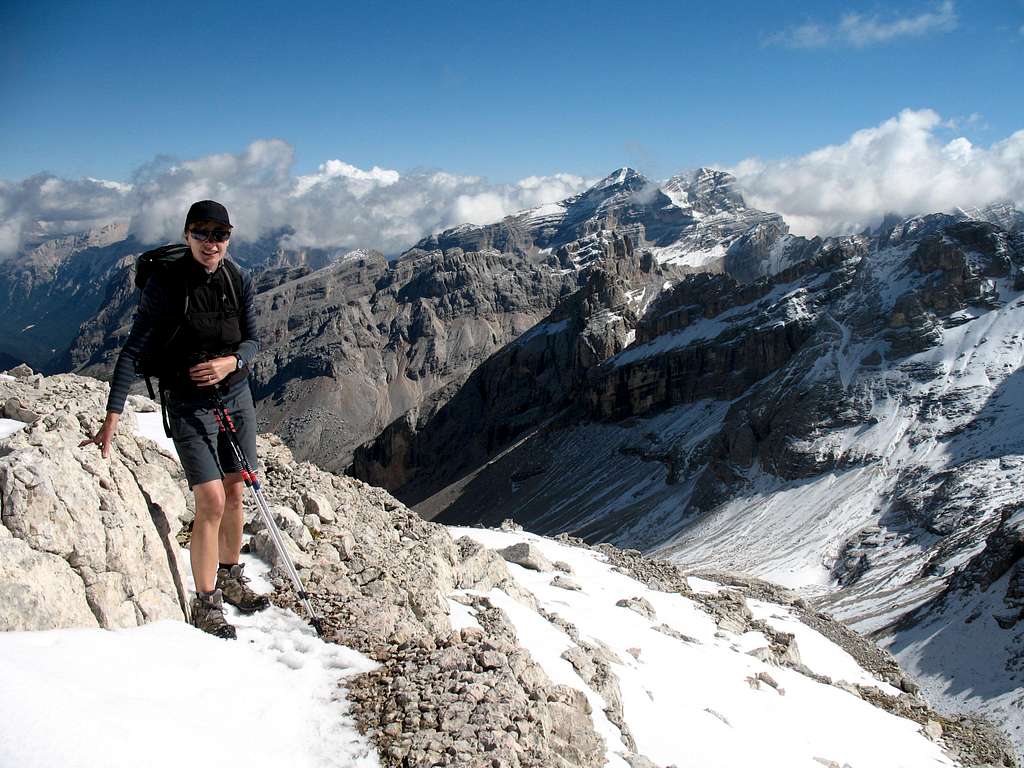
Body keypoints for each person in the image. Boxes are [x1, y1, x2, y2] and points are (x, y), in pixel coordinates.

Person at [81, 200, 268, 639]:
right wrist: (113, 416)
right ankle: (206, 601)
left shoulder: (237, 279)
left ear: (229, 238)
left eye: (219, 234)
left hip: (236, 397)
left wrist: (231, 362)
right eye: (202, 233)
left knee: (235, 490)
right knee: (211, 500)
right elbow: (133, 350)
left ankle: (230, 574)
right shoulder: (165, 285)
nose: (211, 242)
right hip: (188, 404)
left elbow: (254, 341)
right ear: (187, 236)